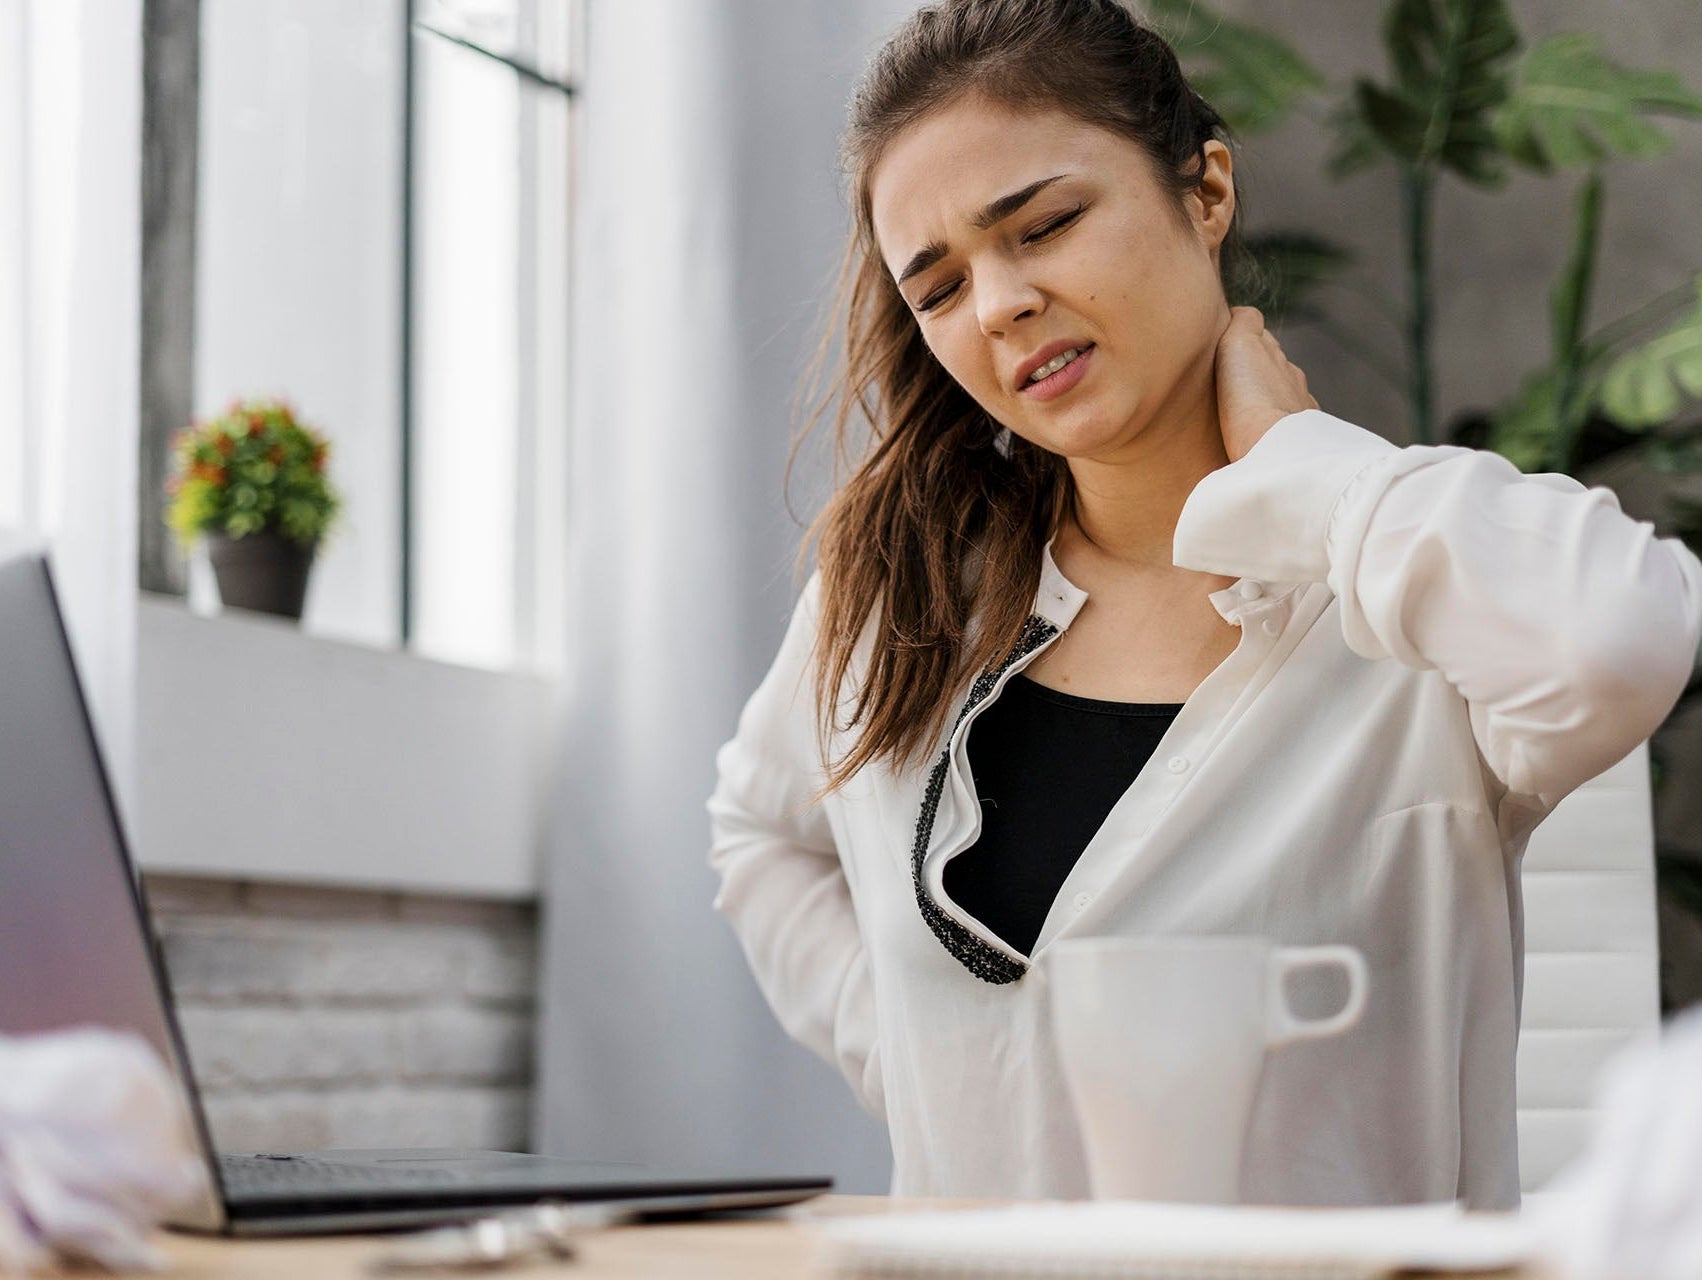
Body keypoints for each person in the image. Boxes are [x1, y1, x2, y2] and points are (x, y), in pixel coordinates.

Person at [706, 0, 1702, 1210]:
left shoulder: (1397, 588)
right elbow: (757, 831)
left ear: (1205, 189)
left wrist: (1301, 465)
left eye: (1047, 223)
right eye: (940, 288)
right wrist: (926, 1049)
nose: (1001, 304)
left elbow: (1624, 637)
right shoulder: (896, 599)